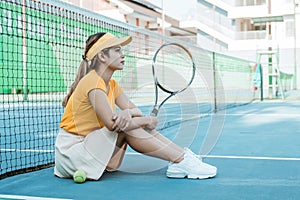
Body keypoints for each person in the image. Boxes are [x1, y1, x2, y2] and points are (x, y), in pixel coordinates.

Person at [54, 32, 217, 181]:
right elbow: (113, 125)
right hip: (72, 153)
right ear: (102, 56)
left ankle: (182, 158)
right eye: (117, 50)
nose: (122, 54)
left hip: (92, 146)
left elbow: (135, 111)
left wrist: (127, 112)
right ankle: (181, 160)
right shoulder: (93, 81)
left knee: (135, 125)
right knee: (128, 127)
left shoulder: (111, 84)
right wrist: (145, 120)